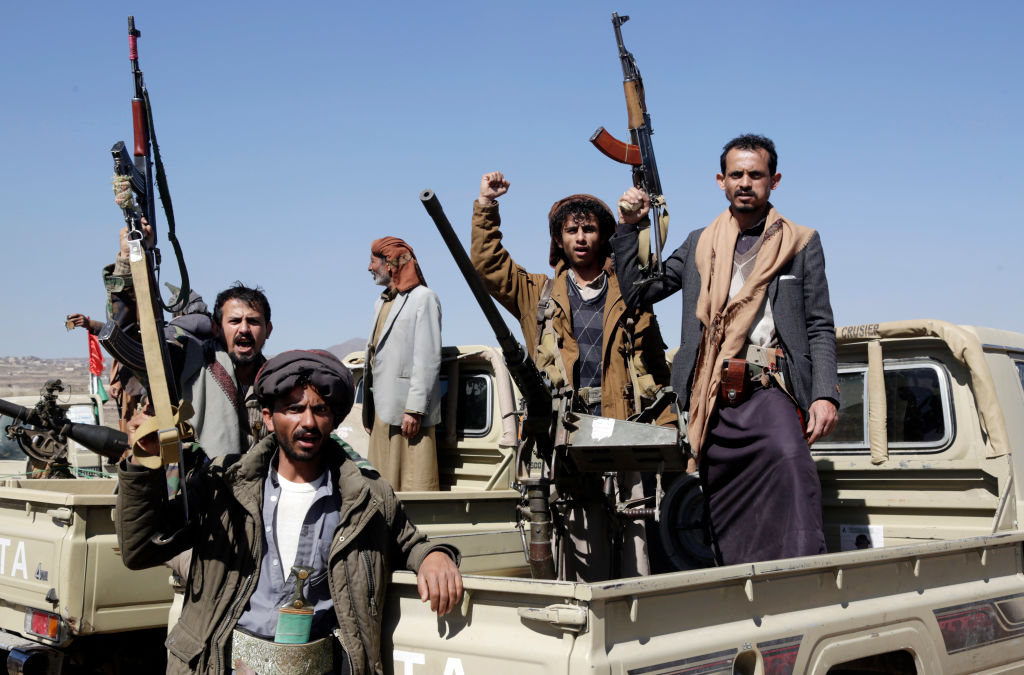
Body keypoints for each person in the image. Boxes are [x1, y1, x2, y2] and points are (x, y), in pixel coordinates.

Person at [116, 349, 463, 675]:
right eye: (294, 408)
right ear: (268, 417)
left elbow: (410, 542)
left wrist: (434, 556)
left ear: (333, 419)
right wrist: (142, 463)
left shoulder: (368, 497)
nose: (308, 421)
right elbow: (140, 548)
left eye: (321, 410)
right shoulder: (222, 486)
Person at [611, 133, 839, 566]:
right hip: (711, 398)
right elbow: (642, 292)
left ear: (774, 180)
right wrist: (629, 227)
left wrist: (826, 394)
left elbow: (819, 326)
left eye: (756, 174)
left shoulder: (802, 242)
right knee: (723, 507)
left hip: (772, 390)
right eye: (737, 174)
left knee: (793, 467)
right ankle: (737, 591)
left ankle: (802, 579)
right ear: (721, 180)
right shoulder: (700, 241)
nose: (746, 182)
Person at [471, 171, 675, 581]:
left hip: (623, 430)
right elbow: (488, 265)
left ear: (603, 235)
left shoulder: (631, 293)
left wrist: (668, 433)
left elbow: (654, 364)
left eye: (589, 229)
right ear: (559, 239)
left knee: (634, 543)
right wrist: (487, 206)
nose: (581, 237)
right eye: (572, 230)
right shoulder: (538, 293)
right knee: (579, 546)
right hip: (565, 436)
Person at [362, 237, 442, 491]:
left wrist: (415, 409)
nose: (369, 267)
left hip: (407, 413)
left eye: (373, 261)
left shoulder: (424, 298)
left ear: (390, 263)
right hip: (381, 411)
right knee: (380, 489)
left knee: (413, 488)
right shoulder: (381, 301)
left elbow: (427, 358)